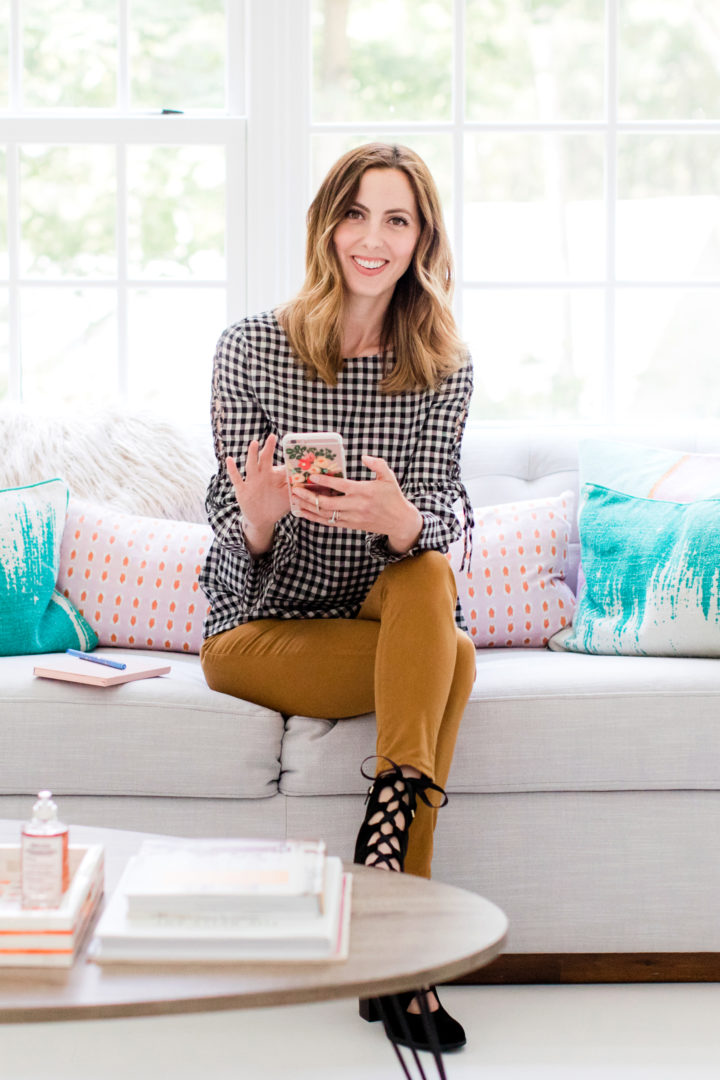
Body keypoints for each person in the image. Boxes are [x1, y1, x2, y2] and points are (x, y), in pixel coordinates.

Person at [199, 142, 476, 1053]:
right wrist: (262, 519)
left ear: (421, 238)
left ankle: (387, 884)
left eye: (396, 219)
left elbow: (445, 525)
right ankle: (408, 952)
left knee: (427, 573)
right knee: (454, 663)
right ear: (327, 226)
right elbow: (232, 567)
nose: (373, 238)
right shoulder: (252, 348)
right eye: (356, 214)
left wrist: (401, 522)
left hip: (380, 609)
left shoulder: (442, 366)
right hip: (260, 628)